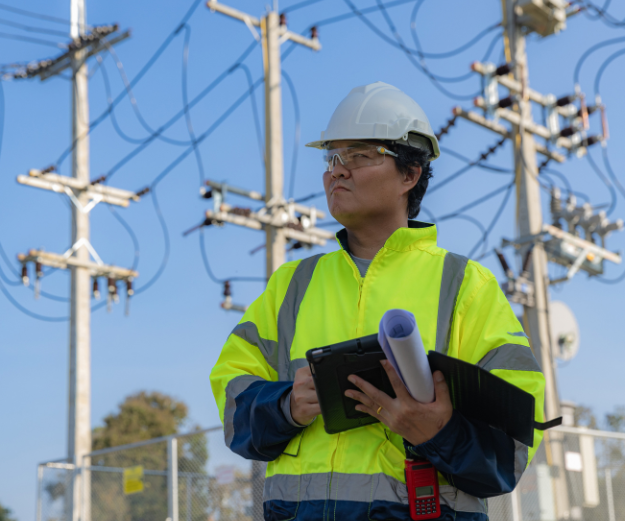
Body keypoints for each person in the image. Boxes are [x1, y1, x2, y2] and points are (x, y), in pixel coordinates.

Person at [209, 82, 546, 521]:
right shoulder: (292, 284)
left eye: (360, 155)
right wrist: (288, 404)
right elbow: (235, 404)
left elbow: (510, 451)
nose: (337, 171)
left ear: (410, 175)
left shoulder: (465, 284)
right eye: (332, 157)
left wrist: (438, 432)